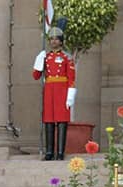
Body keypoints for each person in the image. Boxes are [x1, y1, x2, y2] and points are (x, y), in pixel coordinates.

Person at [32, 26, 76, 160]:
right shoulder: (46, 57)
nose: (53, 42)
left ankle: (60, 152)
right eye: (51, 39)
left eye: (56, 39)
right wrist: (38, 62)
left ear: (61, 41)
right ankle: (49, 151)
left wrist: (70, 95)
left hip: (62, 90)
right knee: (49, 120)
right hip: (49, 90)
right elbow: (36, 76)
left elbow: (71, 78)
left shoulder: (66, 57)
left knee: (62, 120)